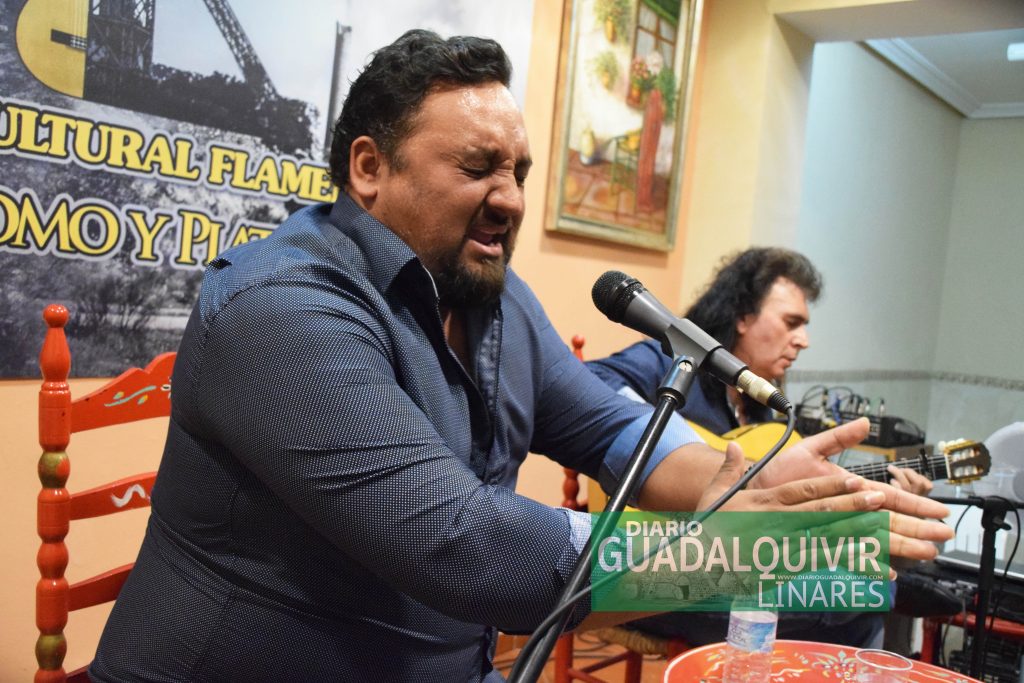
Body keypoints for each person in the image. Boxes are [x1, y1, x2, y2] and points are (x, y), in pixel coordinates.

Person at [89, 33, 950, 682]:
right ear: (370, 168)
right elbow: (462, 543)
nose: (510, 198)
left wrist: (736, 480)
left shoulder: (494, 301)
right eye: (478, 167)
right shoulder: (280, 306)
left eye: (520, 172)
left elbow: (616, 432)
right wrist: (727, 550)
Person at [587, 247, 932, 648]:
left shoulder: (763, 410)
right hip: (653, 563)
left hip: (733, 560)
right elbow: (592, 385)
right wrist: (691, 461)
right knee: (866, 595)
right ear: (742, 316)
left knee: (867, 583)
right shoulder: (671, 360)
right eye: (791, 323)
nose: (803, 340)